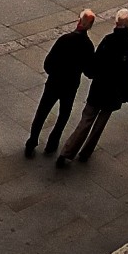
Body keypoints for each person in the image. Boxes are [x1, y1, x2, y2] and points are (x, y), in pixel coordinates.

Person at [57, 9, 128, 166]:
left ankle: (67, 152)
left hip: (100, 89)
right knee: (100, 123)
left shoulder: (109, 40)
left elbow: (96, 63)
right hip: (115, 92)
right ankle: (86, 152)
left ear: (116, 23)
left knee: (86, 119)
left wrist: (92, 74)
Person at [25, 10, 95, 158]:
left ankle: (32, 141)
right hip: (71, 85)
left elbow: (48, 63)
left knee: (42, 112)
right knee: (64, 114)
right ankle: (52, 142)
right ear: (90, 26)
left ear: (78, 21)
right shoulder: (88, 46)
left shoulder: (65, 39)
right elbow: (90, 72)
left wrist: (53, 73)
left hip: (54, 82)